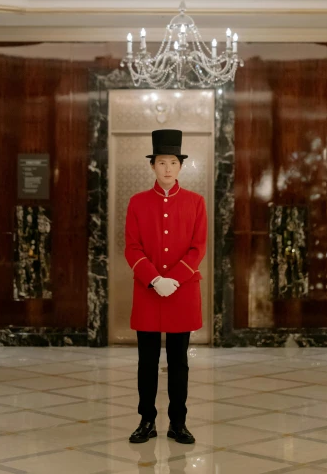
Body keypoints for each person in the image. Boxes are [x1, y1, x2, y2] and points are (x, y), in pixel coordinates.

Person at [124, 129, 208, 445]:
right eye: (162, 162)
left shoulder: (196, 202)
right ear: (153, 166)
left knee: (179, 362)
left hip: (182, 292)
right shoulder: (137, 202)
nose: (167, 169)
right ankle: (146, 420)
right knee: (146, 362)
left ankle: (178, 422)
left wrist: (176, 278)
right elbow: (132, 247)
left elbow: (198, 248)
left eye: (173, 162)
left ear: (181, 165)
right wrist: (154, 279)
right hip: (148, 291)